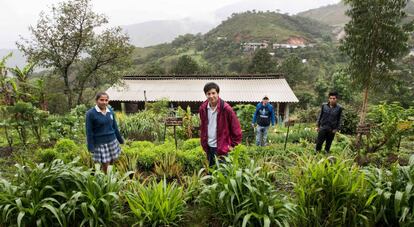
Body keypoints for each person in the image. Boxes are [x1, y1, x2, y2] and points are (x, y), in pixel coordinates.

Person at [199, 82, 242, 167]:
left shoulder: (226, 109)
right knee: (211, 172)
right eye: (208, 94)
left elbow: (236, 128)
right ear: (206, 95)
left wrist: (232, 145)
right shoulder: (203, 109)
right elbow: (203, 127)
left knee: (222, 174)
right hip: (208, 146)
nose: (211, 96)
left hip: (222, 147)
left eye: (213, 93)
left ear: (218, 93)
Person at [86, 92, 124, 173]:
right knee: (105, 163)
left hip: (112, 141)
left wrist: (120, 139)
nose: (104, 102)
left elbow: (115, 127)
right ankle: (107, 180)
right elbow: (89, 131)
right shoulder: (90, 113)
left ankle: (109, 174)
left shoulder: (110, 111)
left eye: (106, 100)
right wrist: (90, 146)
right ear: (96, 101)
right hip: (101, 143)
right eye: (101, 100)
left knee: (113, 159)